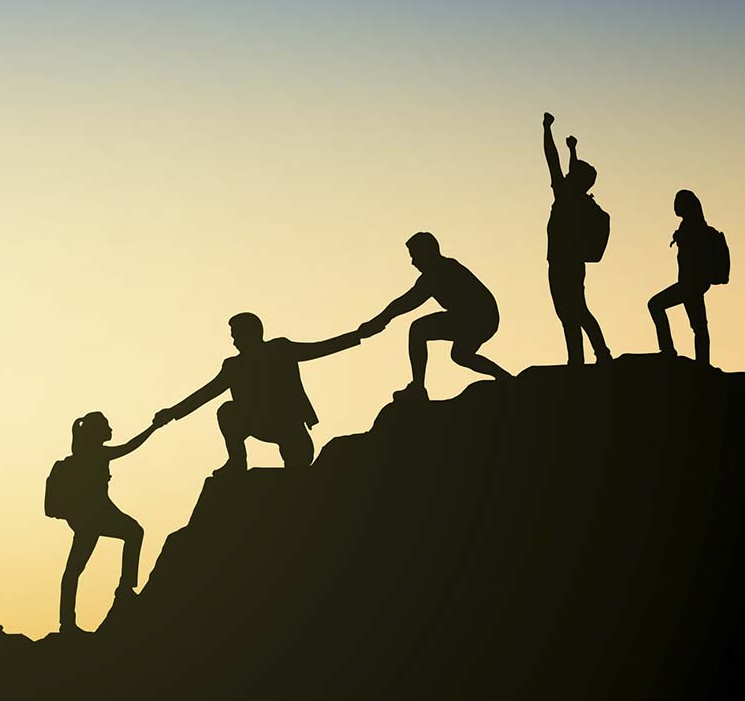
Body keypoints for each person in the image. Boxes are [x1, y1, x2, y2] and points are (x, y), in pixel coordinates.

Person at [154, 313, 364, 475]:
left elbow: (321, 348)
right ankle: (237, 462)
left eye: (237, 335)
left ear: (252, 333)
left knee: (298, 465)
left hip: (288, 425)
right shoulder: (233, 366)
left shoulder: (280, 349)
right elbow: (206, 393)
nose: (234, 341)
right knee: (228, 411)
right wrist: (172, 412)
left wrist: (359, 335)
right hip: (257, 423)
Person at [360, 232, 512, 399]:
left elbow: (406, 302)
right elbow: (405, 302)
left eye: (415, 256)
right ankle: (505, 377)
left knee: (418, 330)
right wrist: (380, 321)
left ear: (427, 252)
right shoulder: (438, 271)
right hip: (480, 318)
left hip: (477, 318)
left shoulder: (439, 272)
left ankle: (418, 386)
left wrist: (379, 321)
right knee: (461, 355)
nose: (413, 262)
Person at [55, 413, 157, 634]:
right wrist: (153, 428)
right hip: (95, 515)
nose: (110, 430)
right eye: (106, 427)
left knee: (74, 569)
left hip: (93, 516)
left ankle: (67, 621)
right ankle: (125, 588)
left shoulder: (89, 454)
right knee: (133, 532)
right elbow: (130, 446)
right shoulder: (96, 454)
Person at [542, 112, 612, 365]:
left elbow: (551, 159)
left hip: (562, 263)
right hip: (572, 263)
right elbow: (571, 168)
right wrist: (573, 149)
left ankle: (588, 357)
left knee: (571, 312)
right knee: (576, 311)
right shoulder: (581, 200)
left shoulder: (565, 196)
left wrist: (547, 129)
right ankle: (588, 356)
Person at [648, 189, 714, 365]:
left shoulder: (694, 227)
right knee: (699, 325)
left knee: (656, 305)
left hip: (691, 284)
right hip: (689, 283)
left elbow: (695, 254)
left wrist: (681, 239)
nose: (675, 206)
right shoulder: (688, 225)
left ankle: (674, 353)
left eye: (678, 202)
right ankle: (700, 362)